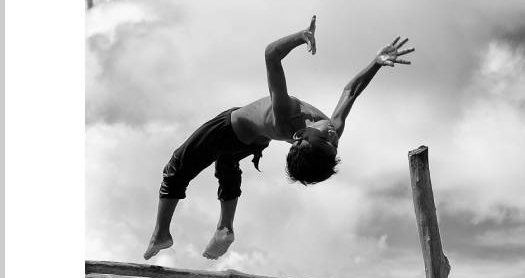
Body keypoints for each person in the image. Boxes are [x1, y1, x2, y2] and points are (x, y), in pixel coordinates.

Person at [144, 17, 412, 262]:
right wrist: (376, 63)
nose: (332, 134)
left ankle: (161, 234)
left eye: (326, 140)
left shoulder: (286, 114)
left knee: (177, 167)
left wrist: (300, 36)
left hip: (230, 128)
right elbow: (351, 91)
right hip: (256, 141)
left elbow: (271, 55)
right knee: (227, 166)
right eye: (333, 142)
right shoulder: (331, 131)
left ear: (301, 139)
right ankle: (224, 228)